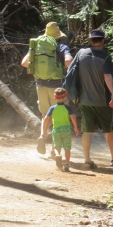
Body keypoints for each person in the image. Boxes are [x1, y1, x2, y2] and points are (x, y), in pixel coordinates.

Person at [71, 29, 113, 170]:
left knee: (87, 131)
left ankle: (87, 161)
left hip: (84, 101)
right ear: (103, 41)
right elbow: (107, 76)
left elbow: (70, 71)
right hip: (103, 101)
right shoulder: (105, 56)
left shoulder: (81, 54)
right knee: (108, 130)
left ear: (90, 41)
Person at [21, 22, 73, 157]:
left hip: (40, 85)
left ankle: (42, 136)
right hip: (56, 85)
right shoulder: (61, 46)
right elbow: (68, 62)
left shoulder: (36, 46)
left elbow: (24, 63)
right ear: (58, 36)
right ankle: (54, 151)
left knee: (46, 114)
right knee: (58, 115)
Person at [40, 87, 80, 172]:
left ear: (54, 98)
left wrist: (43, 131)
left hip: (56, 130)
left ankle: (58, 155)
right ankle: (67, 164)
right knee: (67, 148)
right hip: (66, 130)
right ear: (65, 98)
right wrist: (76, 128)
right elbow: (73, 117)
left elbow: (46, 118)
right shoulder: (68, 108)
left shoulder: (52, 108)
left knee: (56, 146)